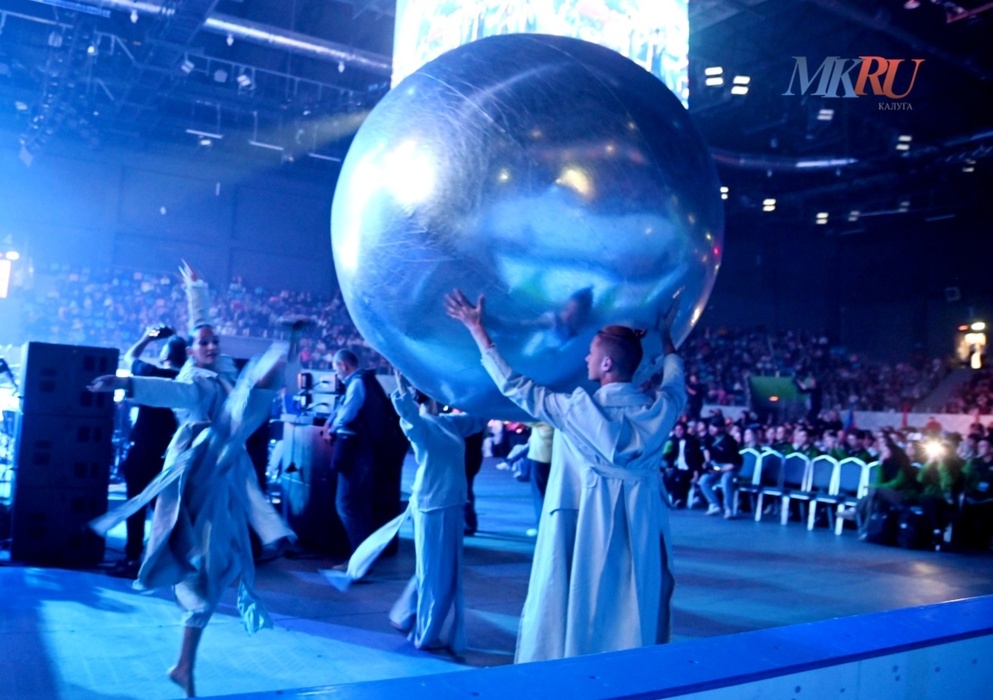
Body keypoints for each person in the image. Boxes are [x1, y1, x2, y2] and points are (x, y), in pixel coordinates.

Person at [88, 263, 296, 698]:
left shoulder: (220, 370)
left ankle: (184, 663)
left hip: (224, 466)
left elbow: (202, 323)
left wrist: (196, 289)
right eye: (204, 343)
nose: (211, 345)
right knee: (247, 398)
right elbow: (169, 392)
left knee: (214, 570)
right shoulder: (195, 380)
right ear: (191, 352)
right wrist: (124, 383)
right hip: (202, 462)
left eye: (214, 342)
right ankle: (285, 344)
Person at [445, 288, 686, 663]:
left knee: (584, 597)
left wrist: (477, 329)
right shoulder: (662, 410)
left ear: (607, 364)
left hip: (590, 520)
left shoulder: (577, 411)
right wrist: (667, 337)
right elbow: (675, 380)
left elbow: (515, 386)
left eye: (591, 352)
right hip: (643, 520)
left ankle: (578, 665)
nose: (586, 357)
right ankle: (634, 669)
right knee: (637, 596)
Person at [387, 374, 489, 653]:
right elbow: (407, 415)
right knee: (437, 574)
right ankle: (425, 634)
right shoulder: (421, 425)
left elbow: (479, 418)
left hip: (450, 503)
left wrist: (483, 386)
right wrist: (402, 386)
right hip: (434, 505)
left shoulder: (449, 423)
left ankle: (406, 617)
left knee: (438, 570)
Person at [111, 326, 187, 578]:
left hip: (144, 452)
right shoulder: (187, 382)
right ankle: (172, 558)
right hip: (173, 454)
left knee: (136, 505)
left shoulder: (153, 375)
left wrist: (147, 337)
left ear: (165, 355)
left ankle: (133, 558)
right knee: (165, 508)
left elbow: (130, 357)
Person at [324, 349, 406, 554]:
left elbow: (348, 412)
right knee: (358, 506)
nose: (336, 374)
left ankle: (359, 559)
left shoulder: (358, 383)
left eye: (336, 369)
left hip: (357, 453)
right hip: (365, 453)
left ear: (343, 365)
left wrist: (331, 429)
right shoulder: (366, 381)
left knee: (346, 504)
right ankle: (364, 557)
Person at [698, 416, 742, 519]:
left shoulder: (730, 441)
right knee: (703, 481)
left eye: (714, 427)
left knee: (726, 480)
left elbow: (734, 463)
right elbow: (706, 449)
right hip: (716, 465)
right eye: (711, 427)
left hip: (730, 466)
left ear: (721, 428)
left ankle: (729, 509)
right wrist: (708, 463)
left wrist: (720, 470)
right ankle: (714, 505)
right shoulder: (708, 438)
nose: (711, 429)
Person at [661, 421, 704, 508]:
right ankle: (669, 497)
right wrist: (668, 467)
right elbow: (668, 456)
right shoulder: (672, 441)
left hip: (688, 468)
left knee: (680, 478)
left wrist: (696, 472)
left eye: (680, 429)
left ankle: (679, 499)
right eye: (676, 430)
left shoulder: (692, 441)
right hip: (676, 467)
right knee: (667, 477)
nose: (678, 432)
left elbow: (695, 458)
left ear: (684, 430)